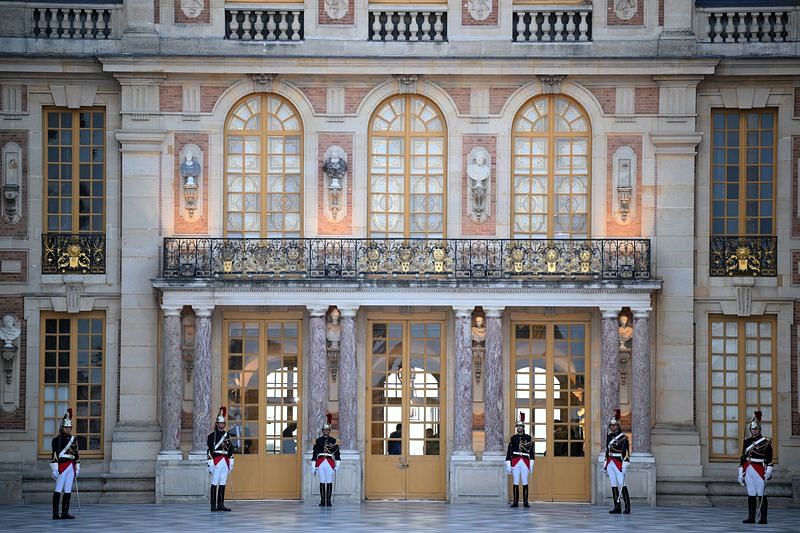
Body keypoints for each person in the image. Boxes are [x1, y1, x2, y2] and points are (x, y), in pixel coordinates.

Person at [738, 410, 773, 524]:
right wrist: (740, 473)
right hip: (748, 469)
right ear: (750, 430)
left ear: (760, 429)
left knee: (761, 494)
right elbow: (743, 457)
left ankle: (763, 518)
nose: (755, 431)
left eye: (756, 429)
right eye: (753, 429)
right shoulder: (747, 442)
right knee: (751, 492)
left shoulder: (766, 442)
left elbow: (770, 459)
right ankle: (751, 517)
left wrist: (768, 472)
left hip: (759, 469)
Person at [50, 408, 79, 520]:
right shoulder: (56, 440)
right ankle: (55, 513)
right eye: (66, 427)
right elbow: (54, 455)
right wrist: (55, 469)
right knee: (58, 489)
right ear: (62, 427)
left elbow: (76, 454)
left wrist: (78, 466)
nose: (68, 429)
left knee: (68, 489)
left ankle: (65, 512)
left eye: (69, 427)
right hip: (62, 466)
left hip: (71, 466)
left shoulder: (73, 439)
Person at [207, 406, 234, 512]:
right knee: (214, 482)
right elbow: (209, 451)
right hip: (216, 461)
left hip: (225, 461)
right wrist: (210, 463)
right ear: (217, 424)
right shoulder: (211, 436)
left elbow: (230, 450)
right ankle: (213, 505)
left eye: (223, 423)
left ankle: (221, 504)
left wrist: (231, 462)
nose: (222, 425)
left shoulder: (227, 435)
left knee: (223, 482)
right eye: (220, 423)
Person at [604, 409, 631, 514]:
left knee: (622, 483)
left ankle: (627, 506)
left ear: (618, 426)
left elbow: (626, 452)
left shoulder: (623, 438)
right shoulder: (609, 437)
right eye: (611, 425)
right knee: (613, 483)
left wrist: (625, 464)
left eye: (614, 425)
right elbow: (607, 450)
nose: (613, 427)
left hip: (619, 462)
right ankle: (617, 506)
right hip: (610, 462)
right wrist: (605, 463)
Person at [505, 412, 533, 508]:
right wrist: (508, 463)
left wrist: (532, 462)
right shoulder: (513, 438)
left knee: (525, 481)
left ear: (523, 427)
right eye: (518, 426)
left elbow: (531, 451)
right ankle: (515, 502)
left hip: (525, 460)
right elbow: (510, 451)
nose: (519, 428)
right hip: (516, 460)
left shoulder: (528, 438)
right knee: (516, 481)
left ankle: (525, 502)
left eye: (521, 426)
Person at [312, 414, 341, 507]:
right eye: (324, 430)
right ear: (322, 431)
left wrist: (338, 464)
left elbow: (337, 453)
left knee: (329, 481)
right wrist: (313, 465)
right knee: (322, 481)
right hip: (320, 462)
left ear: (329, 431)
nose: (326, 431)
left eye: (327, 430)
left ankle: (328, 501)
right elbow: (314, 453)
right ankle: (322, 500)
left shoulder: (334, 441)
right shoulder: (318, 440)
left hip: (329, 462)